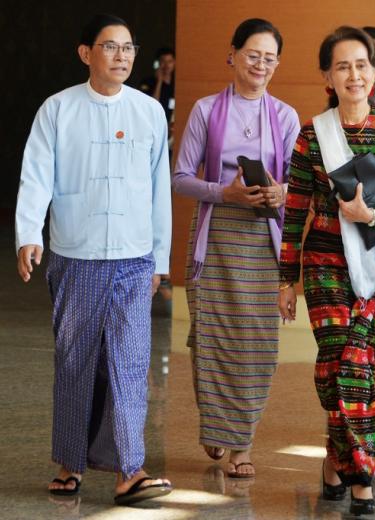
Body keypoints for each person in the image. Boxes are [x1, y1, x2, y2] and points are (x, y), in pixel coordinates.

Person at [15, 13, 172, 505]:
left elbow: (158, 190)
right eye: (110, 47)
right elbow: (36, 176)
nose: (122, 56)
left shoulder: (149, 112)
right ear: (87, 54)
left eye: (128, 48)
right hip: (75, 254)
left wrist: (160, 259)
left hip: (132, 258)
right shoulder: (58, 109)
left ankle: (130, 469)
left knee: (128, 362)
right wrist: (27, 234)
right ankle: (70, 462)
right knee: (76, 360)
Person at [278, 26, 375, 516]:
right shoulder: (310, 133)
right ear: (327, 76)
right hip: (324, 263)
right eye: (342, 66)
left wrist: (373, 217)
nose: (354, 74)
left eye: (362, 64)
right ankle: (359, 469)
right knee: (337, 367)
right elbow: (295, 207)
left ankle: (344, 463)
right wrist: (285, 278)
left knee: (353, 366)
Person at [172, 18, 300, 479]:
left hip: (264, 239)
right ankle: (217, 426)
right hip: (216, 233)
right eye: (253, 55)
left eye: (270, 58)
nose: (261, 65)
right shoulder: (207, 110)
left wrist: (279, 193)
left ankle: (240, 444)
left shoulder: (285, 116)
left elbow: (296, 184)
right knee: (213, 336)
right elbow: (181, 176)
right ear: (233, 55)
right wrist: (223, 193)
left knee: (257, 343)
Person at [140, 47, 175, 123]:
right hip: (153, 122)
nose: (166, 65)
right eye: (163, 61)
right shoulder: (148, 82)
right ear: (158, 63)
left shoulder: (177, 83)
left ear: (174, 63)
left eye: (170, 61)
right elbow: (152, 106)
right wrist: (159, 82)